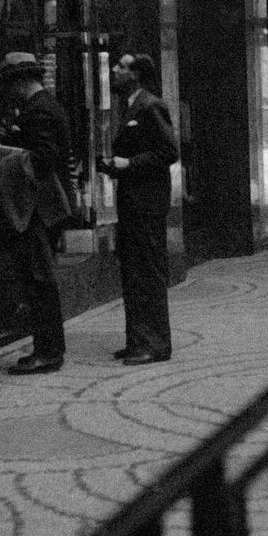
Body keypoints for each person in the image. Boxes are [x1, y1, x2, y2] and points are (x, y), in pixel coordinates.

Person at [0, 52, 74, 375]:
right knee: (41, 278)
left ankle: (48, 352)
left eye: (10, 84)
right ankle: (48, 348)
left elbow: (42, 160)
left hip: (41, 209)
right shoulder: (45, 106)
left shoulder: (39, 111)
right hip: (43, 209)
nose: (9, 92)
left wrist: (7, 154)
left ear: (19, 81)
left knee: (40, 279)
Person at [99, 53, 179, 366]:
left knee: (148, 273)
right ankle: (138, 341)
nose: (114, 70)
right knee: (134, 273)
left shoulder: (150, 105)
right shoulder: (130, 106)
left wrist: (129, 164)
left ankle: (156, 344)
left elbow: (168, 152)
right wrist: (115, 166)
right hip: (133, 203)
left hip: (147, 205)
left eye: (121, 66)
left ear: (135, 74)